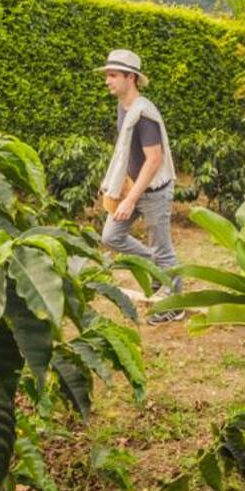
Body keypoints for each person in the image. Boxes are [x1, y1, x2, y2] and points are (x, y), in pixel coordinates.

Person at [97, 49, 184, 324]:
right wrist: (116, 184)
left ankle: (175, 305)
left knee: (163, 249)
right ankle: (157, 268)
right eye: (107, 75)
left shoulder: (144, 114)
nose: (107, 81)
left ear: (131, 78)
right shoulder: (123, 108)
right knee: (111, 236)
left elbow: (154, 160)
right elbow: (127, 152)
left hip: (153, 192)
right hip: (133, 187)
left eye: (113, 75)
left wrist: (130, 200)